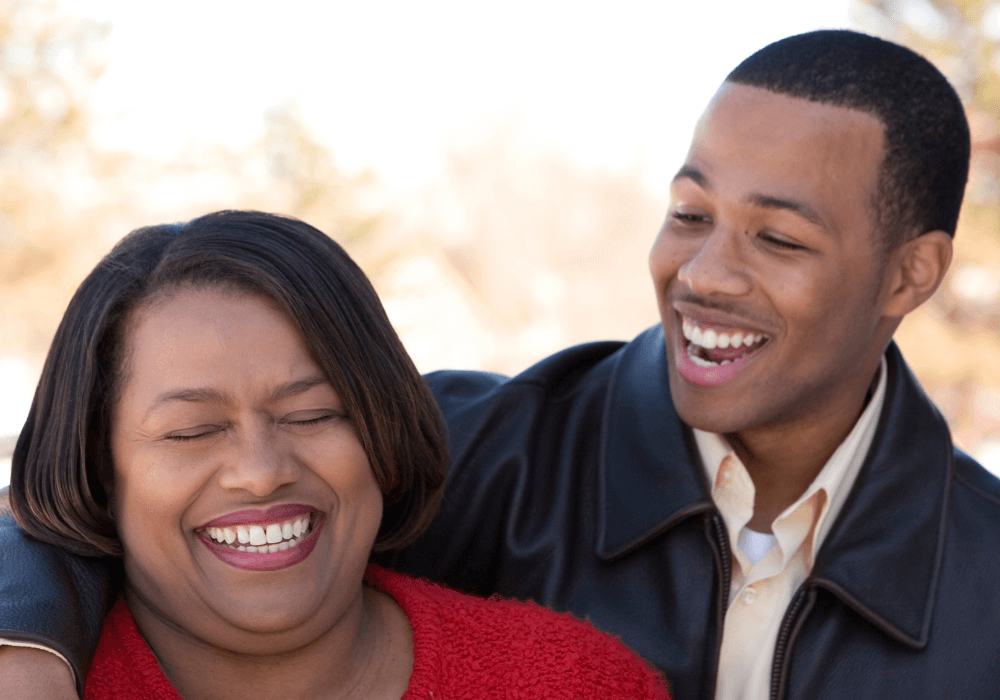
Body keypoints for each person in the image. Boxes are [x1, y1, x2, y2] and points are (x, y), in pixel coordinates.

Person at [2, 27, 999, 700]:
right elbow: (70, 504)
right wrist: (26, 641)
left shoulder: (984, 578)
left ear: (909, 274)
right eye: (689, 214)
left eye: (777, 239)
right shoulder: (480, 452)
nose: (703, 275)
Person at [0, 211, 670, 699]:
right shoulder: (34, 682)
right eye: (192, 431)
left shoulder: (574, 683)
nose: (262, 471)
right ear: (99, 467)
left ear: (382, 429)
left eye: (313, 415)